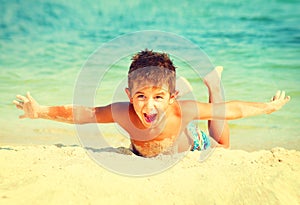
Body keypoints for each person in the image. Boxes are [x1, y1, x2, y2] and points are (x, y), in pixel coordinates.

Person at [13, 50, 290, 157]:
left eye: (159, 97)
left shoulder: (182, 111)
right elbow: (84, 114)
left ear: (173, 98)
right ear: (128, 94)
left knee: (224, 146)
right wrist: (39, 111)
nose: (149, 107)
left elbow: (231, 110)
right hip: (146, 151)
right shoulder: (122, 112)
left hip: (193, 142)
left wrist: (267, 108)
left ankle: (213, 85)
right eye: (141, 97)